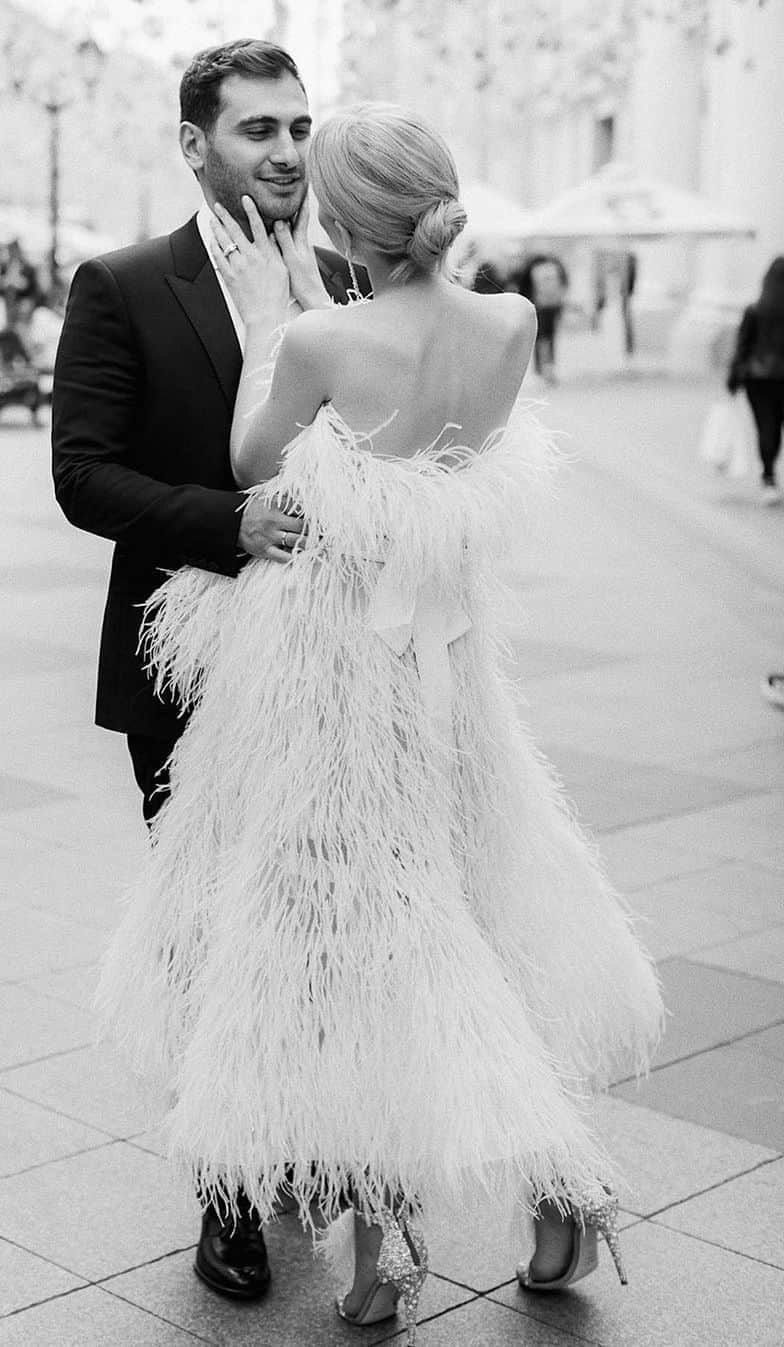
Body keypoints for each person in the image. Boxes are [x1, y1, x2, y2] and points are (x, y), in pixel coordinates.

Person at [93, 102, 664, 1345]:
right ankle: (561, 1188)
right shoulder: (509, 323)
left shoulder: (315, 337)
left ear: (346, 219)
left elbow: (254, 465)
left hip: (330, 684)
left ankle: (386, 1218)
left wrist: (275, 324)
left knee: (348, 939)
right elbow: (450, 463)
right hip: (451, 676)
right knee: (471, 910)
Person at [52, 38, 360, 1306]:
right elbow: (83, 475)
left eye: (299, 127)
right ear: (197, 145)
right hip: (185, 662)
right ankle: (229, 1191)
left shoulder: (349, 276)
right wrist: (222, 521)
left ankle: (305, 1131)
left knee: (316, 914)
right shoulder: (125, 283)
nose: (288, 152)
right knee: (205, 925)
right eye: (257, 132)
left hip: (341, 664)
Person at [727, 255, 784, 506]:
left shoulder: (755, 310)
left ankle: (769, 477)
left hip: (758, 379)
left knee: (766, 426)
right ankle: (770, 476)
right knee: (776, 426)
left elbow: (742, 347)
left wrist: (733, 378)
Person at [519, 250, 568, 382]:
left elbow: (524, 288)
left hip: (539, 306)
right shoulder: (555, 268)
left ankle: (540, 368)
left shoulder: (534, 269)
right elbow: (565, 283)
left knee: (540, 337)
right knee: (550, 337)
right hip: (553, 305)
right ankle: (550, 366)